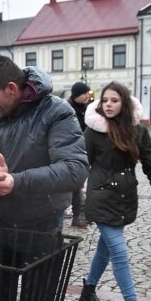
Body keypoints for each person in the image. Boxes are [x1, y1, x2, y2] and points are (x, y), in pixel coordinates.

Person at [0, 55, 89, 301]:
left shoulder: (56, 111)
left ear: (11, 88)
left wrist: (16, 181)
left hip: (43, 223)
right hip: (1, 219)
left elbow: (75, 169)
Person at [78, 82, 151, 301]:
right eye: (104, 100)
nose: (108, 104)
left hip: (124, 197)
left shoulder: (137, 132)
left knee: (106, 249)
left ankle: (88, 291)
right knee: (120, 252)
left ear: (124, 103)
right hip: (100, 197)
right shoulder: (93, 131)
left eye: (114, 100)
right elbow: (79, 163)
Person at [66, 81, 93, 228]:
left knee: (77, 184)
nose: (87, 96)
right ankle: (77, 215)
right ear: (77, 94)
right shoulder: (67, 108)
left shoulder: (87, 108)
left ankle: (79, 215)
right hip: (70, 151)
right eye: (84, 94)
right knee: (75, 184)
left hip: (83, 150)